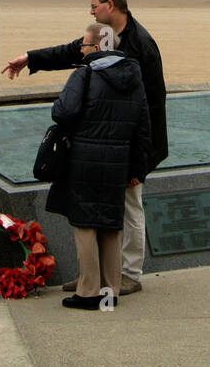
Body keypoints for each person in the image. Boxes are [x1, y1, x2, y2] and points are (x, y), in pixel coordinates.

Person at [2, 0, 168, 295]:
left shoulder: (141, 45)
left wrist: (140, 164)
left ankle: (129, 274)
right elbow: (71, 52)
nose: (91, 11)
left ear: (110, 5)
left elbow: (153, 109)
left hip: (130, 149)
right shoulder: (101, 37)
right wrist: (31, 58)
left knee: (130, 207)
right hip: (100, 147)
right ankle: (92, 278)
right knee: (92, 209)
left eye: (94, 5)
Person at [46, 45, 150, 310]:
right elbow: (143, 128)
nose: (81, 50)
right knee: (111, 226)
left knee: (84, 225)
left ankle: (89, 291)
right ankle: (110, 291)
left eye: (82, 46)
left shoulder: (85, 74)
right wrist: (137, 170)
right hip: (118, 163)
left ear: (92, 47)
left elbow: (63, 112)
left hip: (85, 160)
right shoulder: (134, 77)